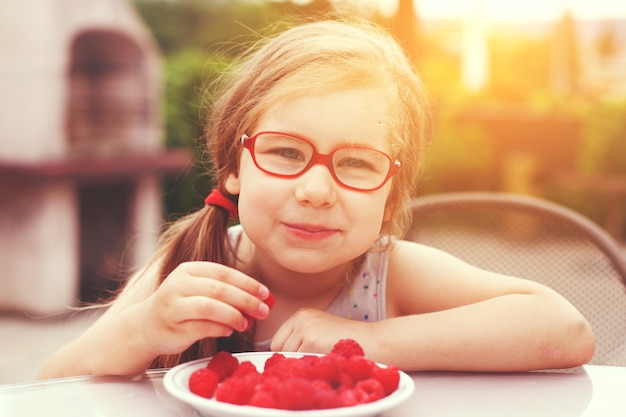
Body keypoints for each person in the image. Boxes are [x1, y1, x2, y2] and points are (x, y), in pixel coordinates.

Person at [38, 17, 594, 379]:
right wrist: (141, 331)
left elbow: (564, 330)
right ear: (234, 166)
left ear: (389, 191)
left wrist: (370, 339)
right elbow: (47, 389)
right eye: (284, 153)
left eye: (356, 163)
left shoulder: (387, 275)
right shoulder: (192, 262)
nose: (315, 191)